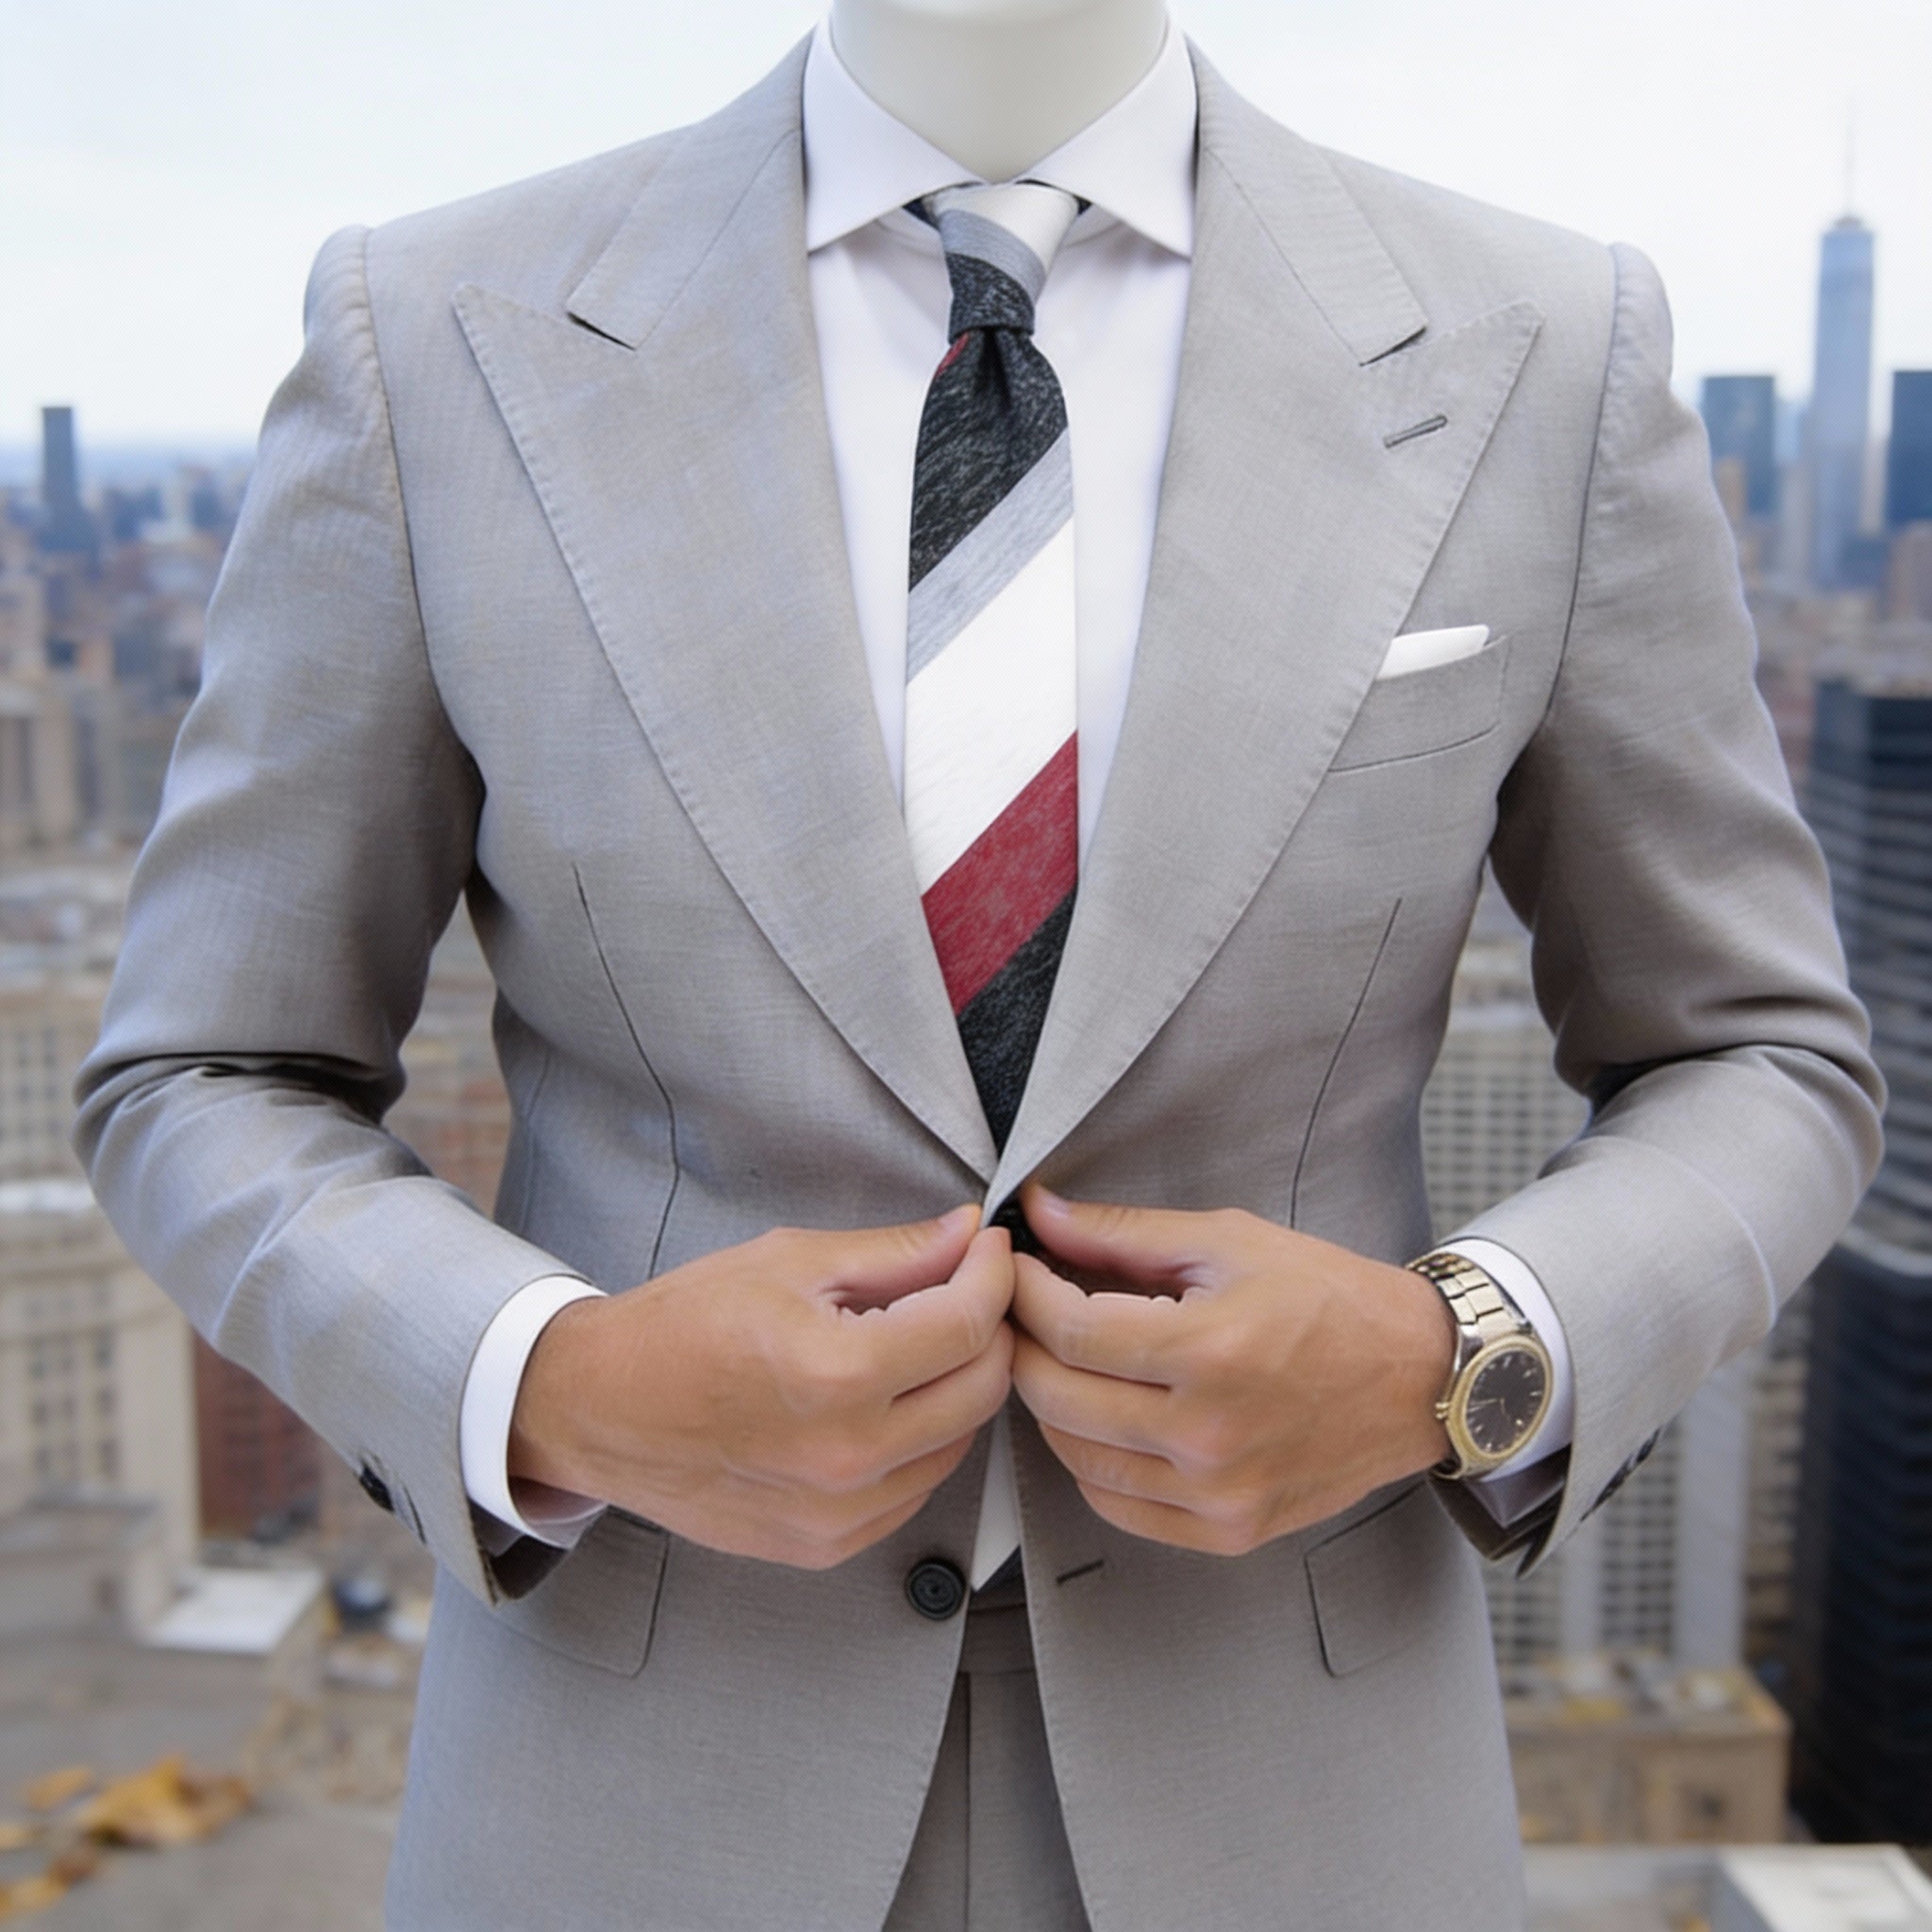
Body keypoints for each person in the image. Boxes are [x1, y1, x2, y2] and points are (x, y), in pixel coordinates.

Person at [75, 2, 1882, 1926]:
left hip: (1300, 1800)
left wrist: (1453, 1355)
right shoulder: (430, 332)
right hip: (630, 1804)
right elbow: (207, 1065)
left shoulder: (1542, 342)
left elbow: (1761, 1052)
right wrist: (555, 1382)